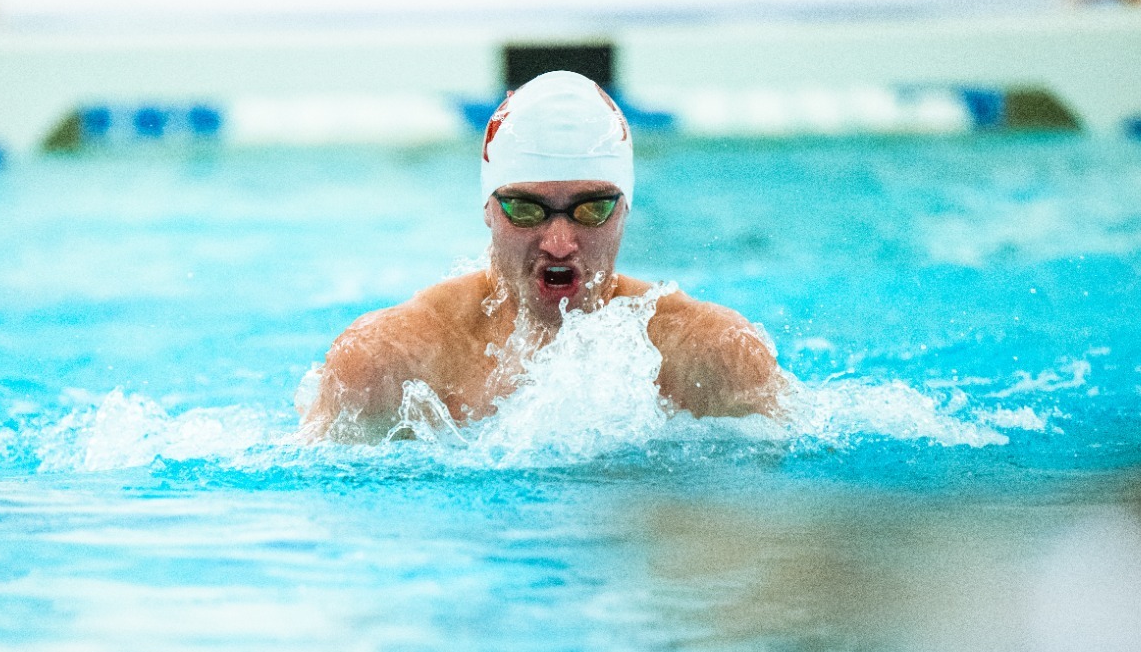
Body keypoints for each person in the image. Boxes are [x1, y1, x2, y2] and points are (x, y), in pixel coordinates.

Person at [301, 70, 789, 442]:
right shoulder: (388, 363)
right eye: (526, 209)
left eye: (591, 209)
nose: (559, 243)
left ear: (625, 211)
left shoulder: (713, 356)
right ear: (489, 209)